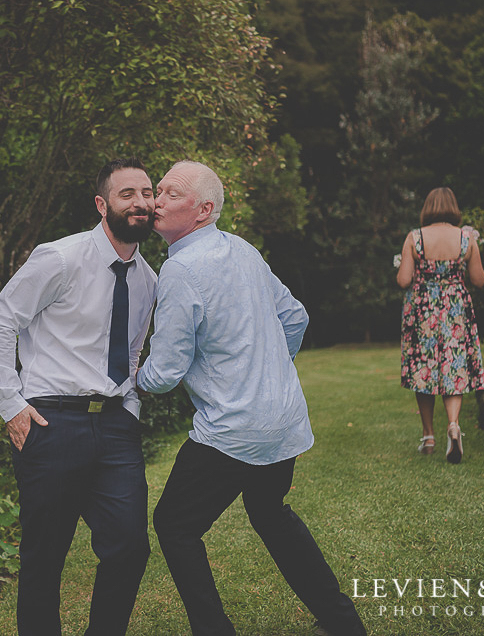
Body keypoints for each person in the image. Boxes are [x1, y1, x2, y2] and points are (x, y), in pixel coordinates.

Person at [136, 160, 367, 636]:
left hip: (233, 430)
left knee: (174, 525)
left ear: (203, 211)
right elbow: (296, 317)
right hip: (282, 420)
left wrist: (126, 381)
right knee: (270, 514)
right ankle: (344, 624)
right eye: (157, 190)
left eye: (170, 194)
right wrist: (270, 373)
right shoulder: (242, 249)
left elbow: (164, 372)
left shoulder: (179, 268)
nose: (155, 201)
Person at [0, 157, 157, 636]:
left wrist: (131, 407)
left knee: (129, 545)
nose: (140, 202)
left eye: (147, 192)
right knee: (45, 555)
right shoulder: (60, 257)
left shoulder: (148, 278)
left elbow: (134, 348)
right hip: (52, 423)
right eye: (127, 194)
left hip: (116, 426)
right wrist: (11, 404)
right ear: (102, 205)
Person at [397, 186, 484, 463]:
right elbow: (479, 280)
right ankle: (454, 425)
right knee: (454, 367)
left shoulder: (415, 237)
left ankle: (428, 437)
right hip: (455, 308)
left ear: (428, 208)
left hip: (423, 309)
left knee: (423, 369)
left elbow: (403, 280)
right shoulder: (466, 238)